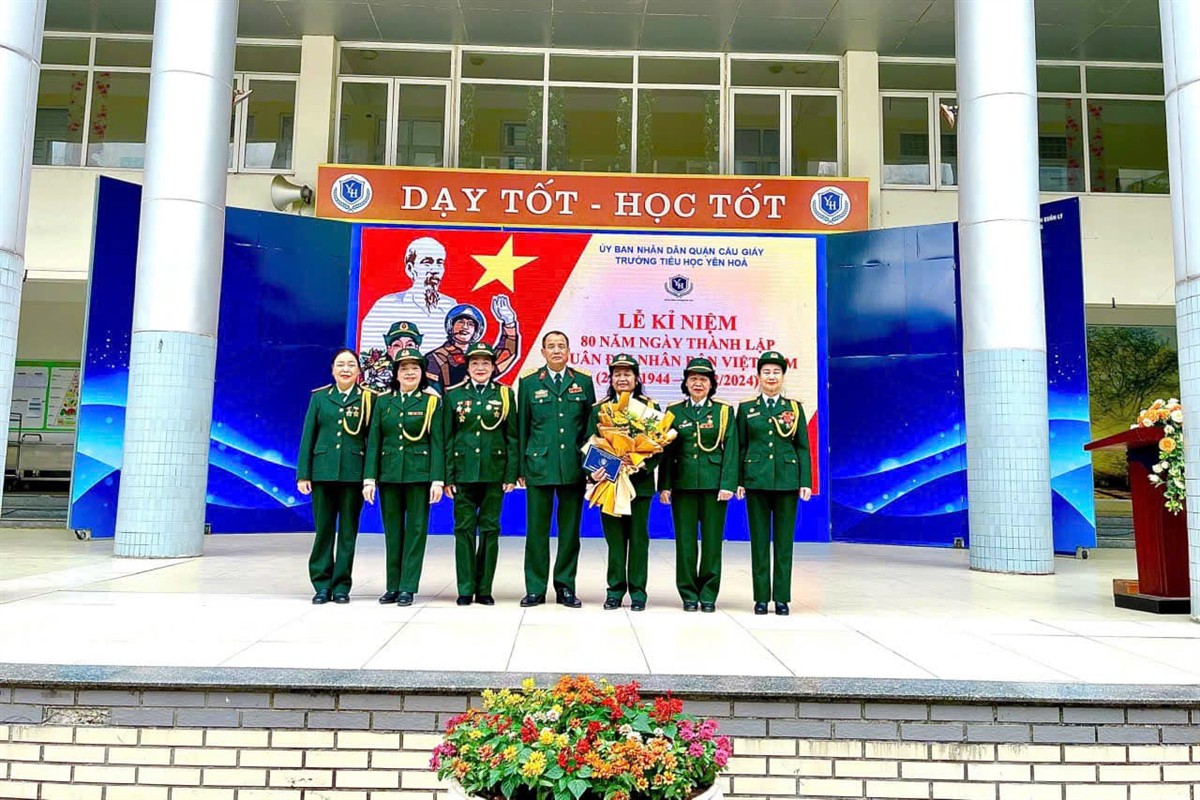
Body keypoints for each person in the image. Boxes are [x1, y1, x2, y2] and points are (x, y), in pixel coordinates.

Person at [517, 331, 595, 608]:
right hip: (538, 465)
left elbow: (590, 429)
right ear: (543, 352)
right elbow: (522, 427)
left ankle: (565, 587)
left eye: (561, 345)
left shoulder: (583, 381)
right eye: (551, 346)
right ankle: (535, 588)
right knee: (536, 532)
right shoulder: (528, 382)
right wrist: (520, 468)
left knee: (570, 532)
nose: (557, 350)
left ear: (569, 351)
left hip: (573, 466)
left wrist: (590, 467)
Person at [362, 347, 446, 607]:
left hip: (419, 475)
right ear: (396, 373)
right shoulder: (383, 401)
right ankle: (392, 586)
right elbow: (374, 441)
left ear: (422, 373)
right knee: (393, 531)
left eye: (415, 368)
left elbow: (438, 443)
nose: (410, 373)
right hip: (389, 474)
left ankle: (408, 586)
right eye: (404, 368)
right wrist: (369, 478)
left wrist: (437, 480)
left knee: (416, 532)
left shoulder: (431, 402)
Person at [359, 235, 520, 364]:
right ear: (410, 268)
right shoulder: (386, 307)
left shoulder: (451, 308)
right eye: (427, 263)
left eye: (439, 263)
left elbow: (479, 363)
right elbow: (369, 361)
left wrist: (509, 323)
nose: (435, 270)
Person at [658, 357, 738, 613]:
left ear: (711, 384)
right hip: (682, 485)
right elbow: (667, 452)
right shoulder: (674, 411)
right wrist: (665, 485)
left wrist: (728, 484)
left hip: (714, 486)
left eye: (703, 379)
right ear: (686, 383)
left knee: (712, 543)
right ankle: (688, 593)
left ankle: (709, 593)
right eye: (693, 379)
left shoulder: (723, 411)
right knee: (685, 543)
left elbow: (731, 449)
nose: (698, 383)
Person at [735, 351, 813, 616]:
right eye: (766, 372)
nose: (771, 376)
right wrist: (739, 480)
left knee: (783, 543)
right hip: (756, 481)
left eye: (776, 372)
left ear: (783, 376)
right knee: (759, 543)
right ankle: (760, 597)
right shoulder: (747, 408)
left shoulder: (794, 408)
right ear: (758, 376)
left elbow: (802, 447)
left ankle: (781, 598)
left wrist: (805, 481)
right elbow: (740, 446)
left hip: (787, 482)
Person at [296, 348, 374, 605]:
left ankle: (341, 586)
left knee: (348, 533)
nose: (346, 369)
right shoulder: (320, 398)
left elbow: (372, 441)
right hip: (323, 472)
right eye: (340, 364)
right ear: (332, 370)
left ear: (359, 370)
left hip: (353, 473)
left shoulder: (368, 399)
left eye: (351, 364)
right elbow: (308, 437)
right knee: (324, 531)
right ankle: (321, 584)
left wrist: (369, 477)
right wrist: (303, 474)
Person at [443, 343, 517, 606]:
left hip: (494, 472)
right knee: (463, 530)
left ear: (494, 366)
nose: (481, 367)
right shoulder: (453, 396)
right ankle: (465, 588)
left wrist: (511, 474)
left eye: (486, 363)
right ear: (468, 367)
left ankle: (484, 588)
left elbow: (512, 437)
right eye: (475, 363)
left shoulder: (505, 395)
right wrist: (448, 477)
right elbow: (447, 438)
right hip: (462, 473)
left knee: (490, 530)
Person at [586, 354, 660, 612]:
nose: (622, 378)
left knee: (639, 540)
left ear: (636, 379)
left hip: (639, 485)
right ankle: (615, 591)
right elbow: (589, 443)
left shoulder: (649, 408)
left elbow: (659, 446)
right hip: (608, 484)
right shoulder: (599, 409)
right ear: (611, 379)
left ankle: (638, 593)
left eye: (627, 374)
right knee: (615, 541)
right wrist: (594, 472)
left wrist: (638, 463)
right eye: (617, 374)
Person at [427, 303, 521, 392]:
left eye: (471, 324)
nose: (465, 327)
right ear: (450, 326)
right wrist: (462, 386)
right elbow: (432, 393)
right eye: (460, 322)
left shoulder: (479, 357)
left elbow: (505, 355)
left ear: (477, 331)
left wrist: (509, 323)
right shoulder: (435, 357)